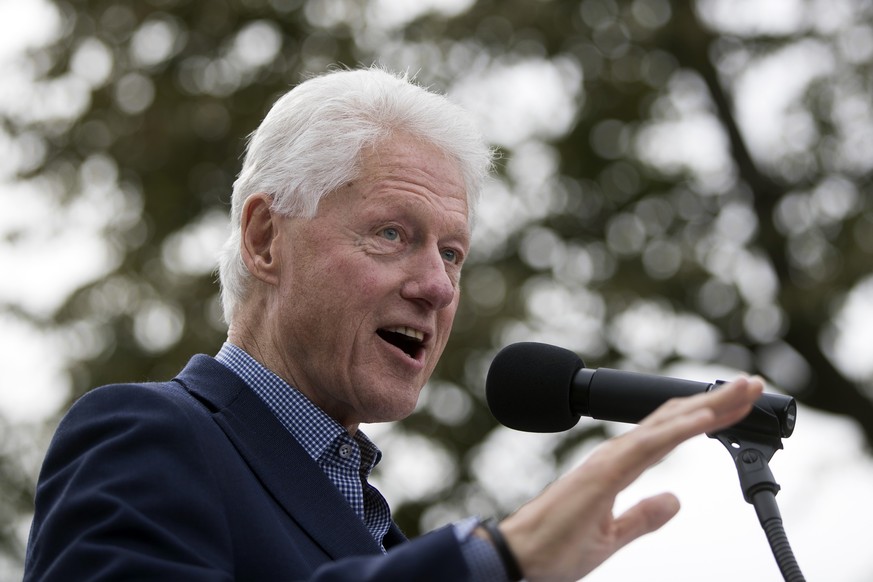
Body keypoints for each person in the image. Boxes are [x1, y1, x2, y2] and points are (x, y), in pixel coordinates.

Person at [23, 67, 764, 581]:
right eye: (391, 234)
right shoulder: (143, 434)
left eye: (453, 252)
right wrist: (490, 559)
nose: (438, 287)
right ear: (264, 239)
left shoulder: (376, 529)